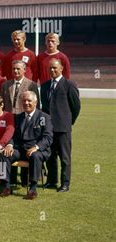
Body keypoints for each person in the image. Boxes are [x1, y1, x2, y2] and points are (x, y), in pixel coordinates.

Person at [0, 91, 53, 200]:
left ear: (36, 102)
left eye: (29, 101)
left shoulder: (44, 117)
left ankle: (33, 188)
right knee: (4, 155)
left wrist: (36, 147)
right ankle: (6, 186)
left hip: (38, 150)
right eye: (24, 101)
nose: (26, 103)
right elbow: (13, 135)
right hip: (20, 149)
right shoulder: (18, 117)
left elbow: (48, 137)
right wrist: (9, 145)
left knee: (35, 156)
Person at [40, 58, 80, 192]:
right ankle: (52, 181)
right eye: (50, 68)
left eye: (55, 68)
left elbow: (76, 107)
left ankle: (65, 184)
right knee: (50, 156)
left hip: (63, 128)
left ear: (61, 68)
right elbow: (44, 108)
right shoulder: (45, 86)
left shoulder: (69, 85)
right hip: (49, 129)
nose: (52, 70)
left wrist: (69, 121)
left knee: (64, 158)